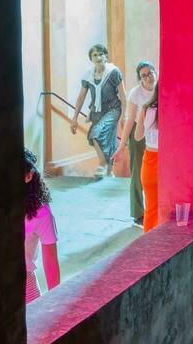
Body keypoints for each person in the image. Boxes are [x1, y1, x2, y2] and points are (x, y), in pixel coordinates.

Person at [69, 42, 123, 178]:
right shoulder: (88, 76)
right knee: (109, 140)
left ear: (106, 56)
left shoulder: (114, 72)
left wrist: (126, 115)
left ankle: (102, 164)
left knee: (96, 133)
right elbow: (81, 97)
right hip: (96, 112)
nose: (98, 57)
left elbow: (123, 95)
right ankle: (110, 171)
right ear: (91, 58)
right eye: (95, 55)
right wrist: (74, 118)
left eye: (101, 54)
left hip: (113, 109)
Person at [122, 61, 157, 227]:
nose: (148, 77)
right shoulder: (136, 93)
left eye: (150, 73)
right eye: (144, 75)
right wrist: (122, 143)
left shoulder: (162, 87)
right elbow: (130, 119)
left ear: (155, 72)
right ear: (140, 79)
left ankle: (157, 210)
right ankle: (138, 213)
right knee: (138, 172)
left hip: (157, 131)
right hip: (139, 130)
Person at [23, 151, 60, 303]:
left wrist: (55, 303)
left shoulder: (41, 214)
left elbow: (50, 264)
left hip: (25, 283)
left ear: (28, 176)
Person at [140, 82, 161, 232]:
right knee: (166, 209)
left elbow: (137, 136)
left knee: (151, 208)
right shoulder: (169, 108)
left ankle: (148, 245)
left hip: (148, 160)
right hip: (165, 162)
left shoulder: (146, 108)